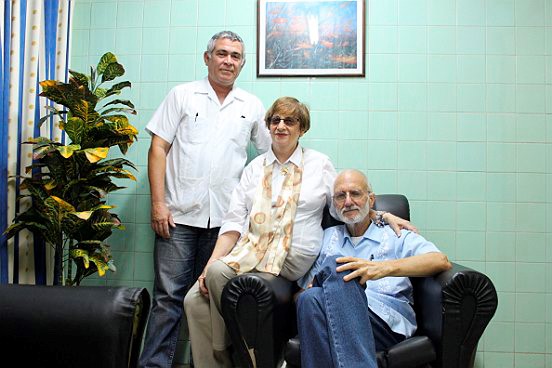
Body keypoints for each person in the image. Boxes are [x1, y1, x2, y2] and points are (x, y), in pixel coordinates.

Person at [183, 98, 415, 368]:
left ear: (301, 128)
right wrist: (209, 264)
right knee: (194, 301)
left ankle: (242, 353)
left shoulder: (319, 164)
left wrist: (382, 215)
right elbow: (234, 223)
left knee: (217, 274)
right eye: (275, 120)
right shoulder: (254, 169)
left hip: (292, 258)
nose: (281, 126)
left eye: (290, 121)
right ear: (268, 126)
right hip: (250, 251)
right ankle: (219, 361)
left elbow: (344, 203)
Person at [139, 31, 271, 368]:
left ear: (242, 63)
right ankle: (154, 365)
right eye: (222, 54)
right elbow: (158, 148)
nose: (228, 61)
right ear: (207, 57)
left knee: (214, 301)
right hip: (178, 216)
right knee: (168, 299)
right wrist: (158, 204)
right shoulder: (182, 96)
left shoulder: (251, 106)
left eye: (236, 56)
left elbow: (272, 154)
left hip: (227, 223)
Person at [296, 169, 452, 368]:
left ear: (371, 199)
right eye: (341, 196)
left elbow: (440, 260)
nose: (348, 201)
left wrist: (381, 268)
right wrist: (310, 289)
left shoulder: (395, 234)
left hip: (384, 323)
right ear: (334, 204)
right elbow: (302, 293)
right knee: (310, 298)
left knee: (340, 267)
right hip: (330, 315)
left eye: (355, 194)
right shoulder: (326, 237)